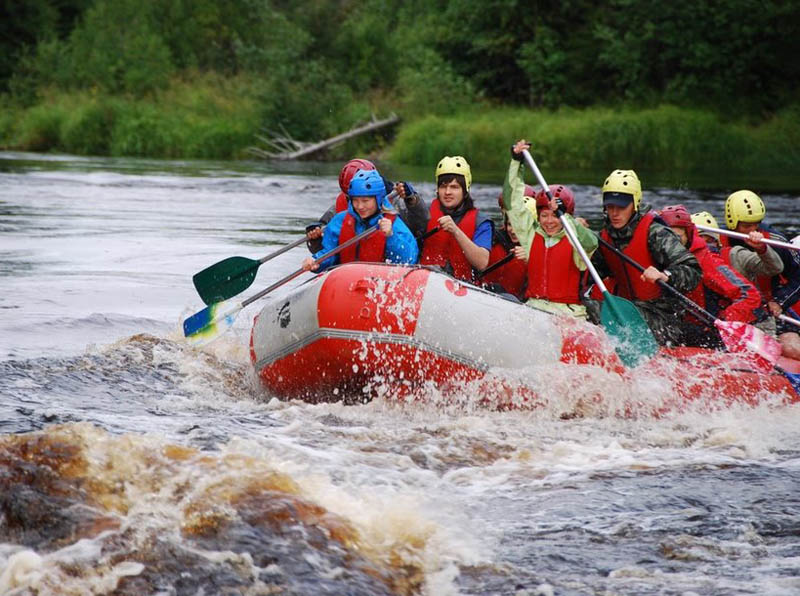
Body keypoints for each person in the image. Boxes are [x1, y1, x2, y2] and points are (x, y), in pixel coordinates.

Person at [589, 170, 702, 345]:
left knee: (599, 310)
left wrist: (666, 275)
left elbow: (693, 270)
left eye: (621, 207)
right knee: (583, 308)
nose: (614, 213)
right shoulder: (605, 237)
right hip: (627, 310)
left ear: (635, 204)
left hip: (663, 319)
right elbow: (588, 274)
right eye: (610, 206)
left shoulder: (655, 233)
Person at [501, 140, 598, 318]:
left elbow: (592, 243)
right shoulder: (531, 235)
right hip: (534, 309)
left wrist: (566, 217)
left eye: (554, 216)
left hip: (568, 315)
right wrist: (516, 162)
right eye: (544, 215)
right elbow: (511, 201)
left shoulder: (575, 239)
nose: (549, 222)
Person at [660, 205, 765, 347]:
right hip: (673, 323)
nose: (671, 244)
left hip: (708, 330)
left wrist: (723, 323)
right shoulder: (652, 254)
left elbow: (750, 295)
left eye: (677, 238)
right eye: (666, 238)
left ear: (689, 235)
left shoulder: (706, 261)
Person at [723, 190, 800, 358]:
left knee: (792, 348)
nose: (752, 230)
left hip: (769, 310)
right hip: (732, 308)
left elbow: (798, 276)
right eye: (746, 226)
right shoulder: (718, 237)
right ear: (732, 222)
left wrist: (780, 302)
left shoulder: (775, 241)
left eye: (756, 224)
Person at [301, 168, 418, 272]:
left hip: (379, 283)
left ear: (378, 199)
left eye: (365, 201)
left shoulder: (395, 225)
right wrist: (315, 261)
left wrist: (391, 236)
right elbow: (329, 253)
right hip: (345, 282)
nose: (360, 206)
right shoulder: (339, 221)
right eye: (355, 200)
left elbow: (407, 261)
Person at [306, 158, 429, 252]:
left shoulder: (394, 206)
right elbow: (322, 251)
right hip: (348, 269)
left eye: (365, 199)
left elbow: (421, 226)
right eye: (353, 198)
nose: (359, 206)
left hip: (385, 266)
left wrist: (412, 200)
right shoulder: (338, 211)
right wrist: (316, 238)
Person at [419, 155, 493, 281]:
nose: (447, 192)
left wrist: (456, 231)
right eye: (443, 186)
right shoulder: (425, 213)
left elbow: (482, 262)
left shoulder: (481, 222)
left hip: (463, 288)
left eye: (454, 187)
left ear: (465, 190)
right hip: (427, 282)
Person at [480, 191, 530, 299]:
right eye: (510, 224)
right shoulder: (493, 238)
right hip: (486, 295)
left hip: (517, 304)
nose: (513, 230)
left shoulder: (542, 248)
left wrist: (532, 258)